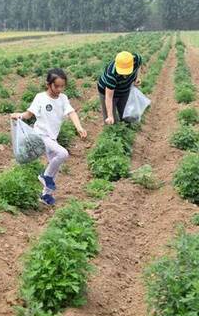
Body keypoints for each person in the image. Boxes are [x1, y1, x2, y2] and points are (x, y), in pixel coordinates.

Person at [11, 68, 87, 206]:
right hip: (40, 135)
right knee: (63, 153)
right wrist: (19, 116)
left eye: (62, 86)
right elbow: (29, 114)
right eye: (56, 86)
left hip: (52, 137)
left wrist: (79, 127)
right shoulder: (40, 97)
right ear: (48, 84)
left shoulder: (63, 98)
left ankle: (46, 195)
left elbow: (71, 113)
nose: (59, 89)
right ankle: (43, 176)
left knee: (55, 166)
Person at [97, 51, 144, 125]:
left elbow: (139, 65)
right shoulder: (111, 74)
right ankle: (112, 129)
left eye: (127, 72)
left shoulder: (136, 59)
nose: (125, 75)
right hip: (107, 91)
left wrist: (137, 78)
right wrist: (110, 116)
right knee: (112, 121)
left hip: (125, 89)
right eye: (122, 72)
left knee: (125, 113)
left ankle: (126, 127)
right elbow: (109, 97)